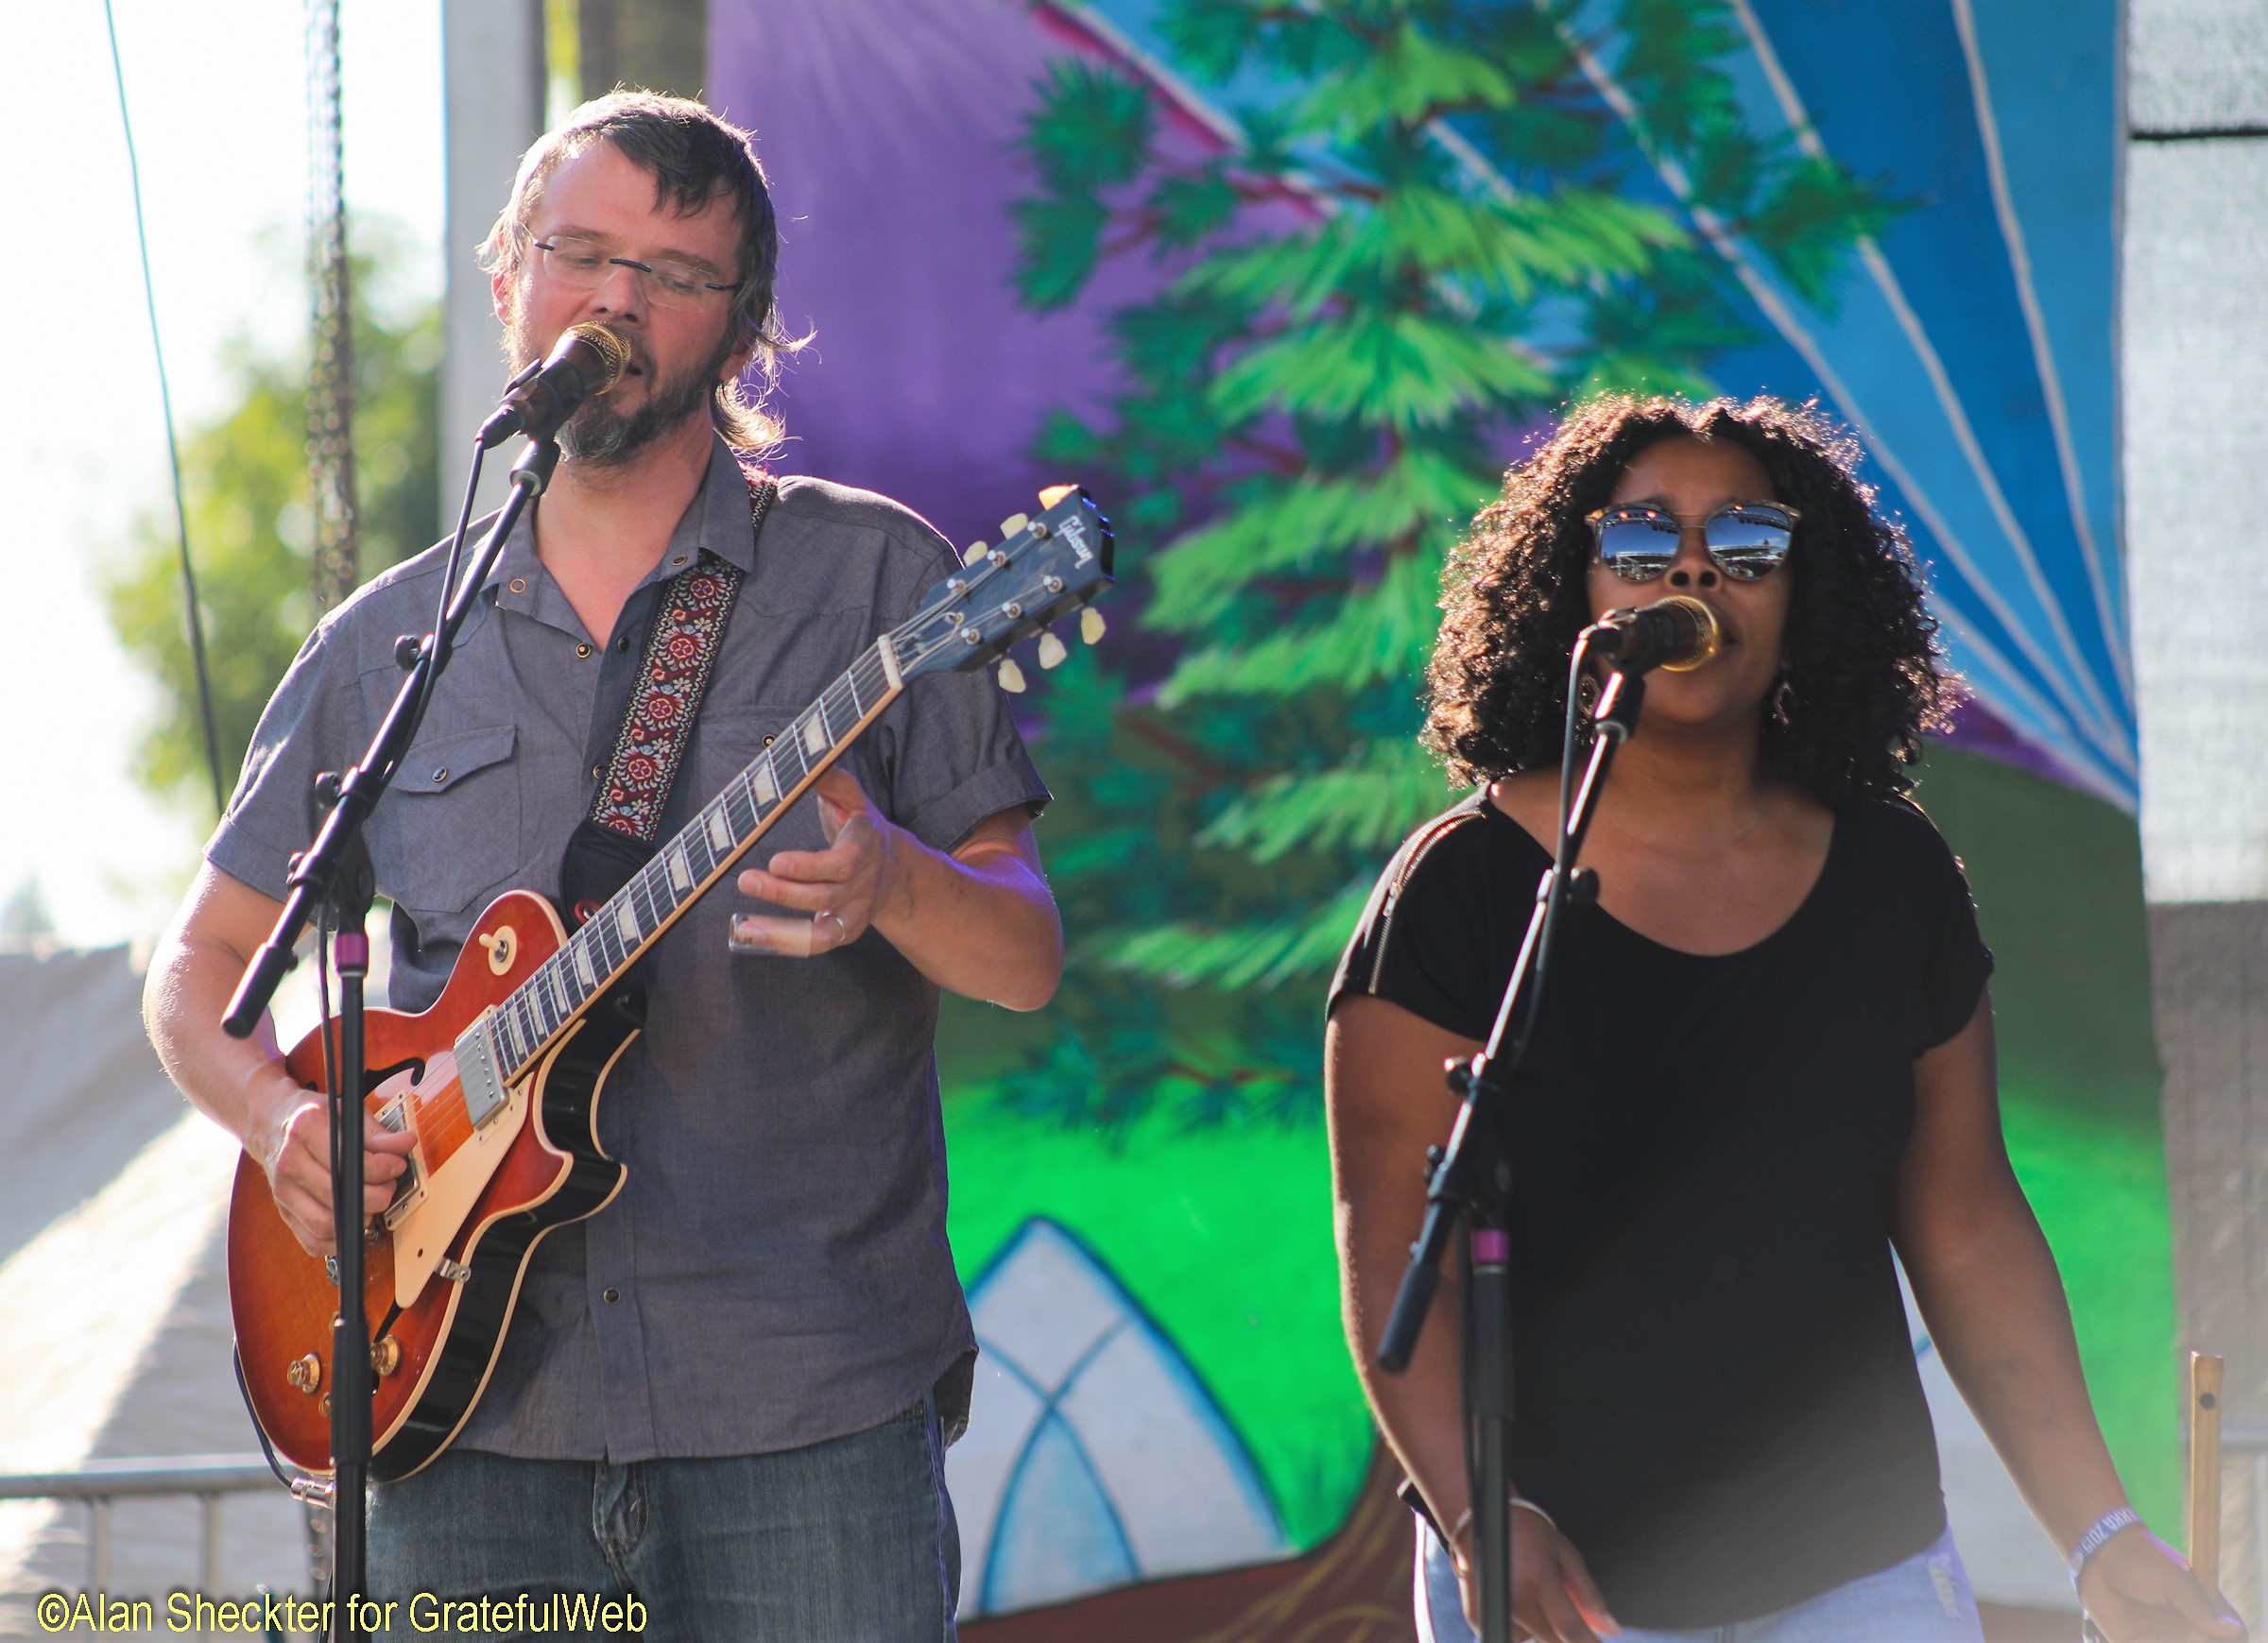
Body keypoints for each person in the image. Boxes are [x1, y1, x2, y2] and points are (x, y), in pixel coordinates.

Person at [144, 93, 1062, 1639]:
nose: (616, 302)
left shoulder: (874, 581)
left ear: (742, 329)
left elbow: (1024, 956)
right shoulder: (388, 647)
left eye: (675, 274)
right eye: (580, 254)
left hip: (806, 1408)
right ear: (511, 276)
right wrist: (284, 1118)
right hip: (463, 1421)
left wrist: (893, 883)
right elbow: (194, 973)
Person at [1325, 395, 2243, 1643]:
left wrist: (2100, 1535)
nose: (1696, 569)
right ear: (1577, 594)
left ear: (1805, 593)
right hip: (1564, 1574)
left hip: (1856, 1559)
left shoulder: (1892, 876)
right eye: (1644, 544)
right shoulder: (1466, 893)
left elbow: (1966, 1220)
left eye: (1747, 543)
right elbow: (1391, 1248)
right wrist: (1479, 1519)